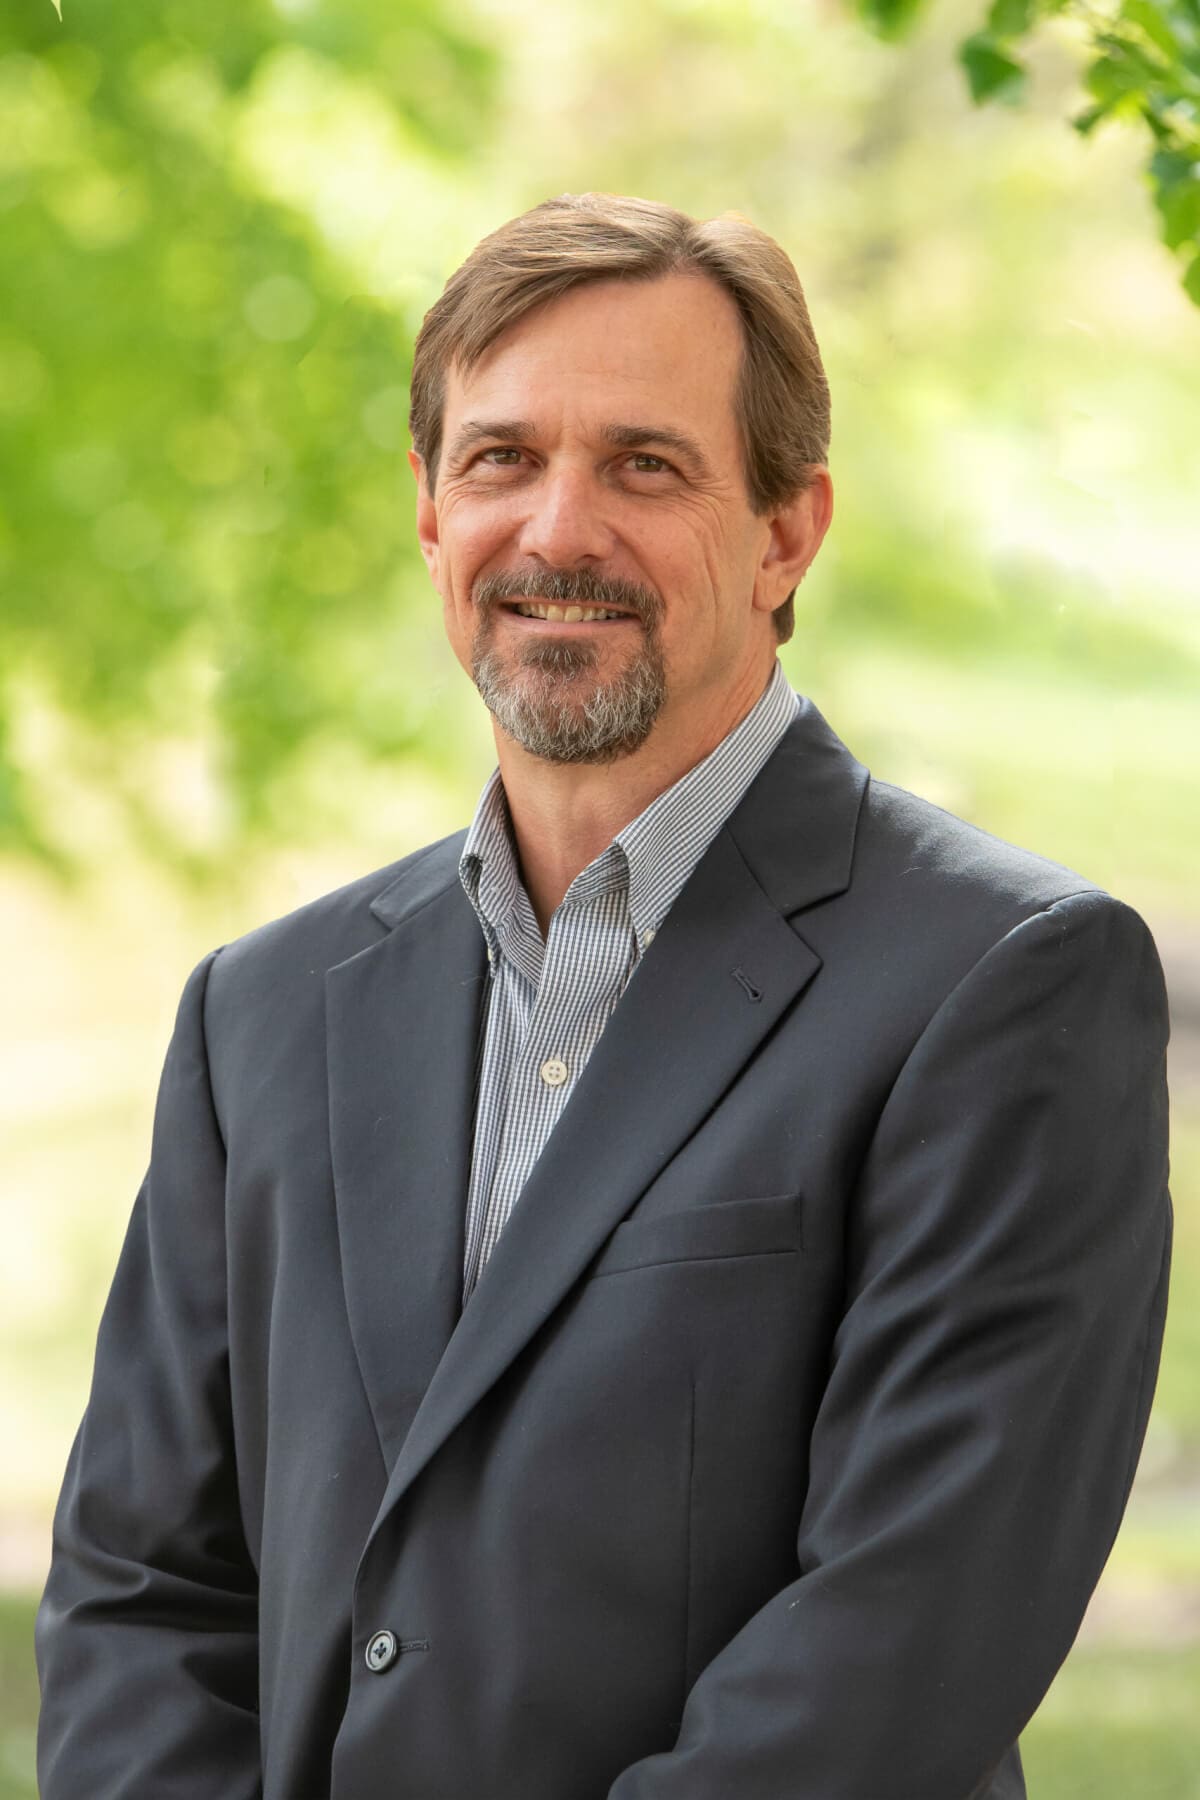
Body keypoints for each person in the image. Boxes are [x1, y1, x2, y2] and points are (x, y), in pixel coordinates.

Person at [36, 192, 1171, 1800]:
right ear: (430, 512)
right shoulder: (262, 1016)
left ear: (788, 531)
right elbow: (143, 1600)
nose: (559, 530)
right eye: (502, 458)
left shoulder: (1007, 986)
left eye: (645, 465)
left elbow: (900, 1648)